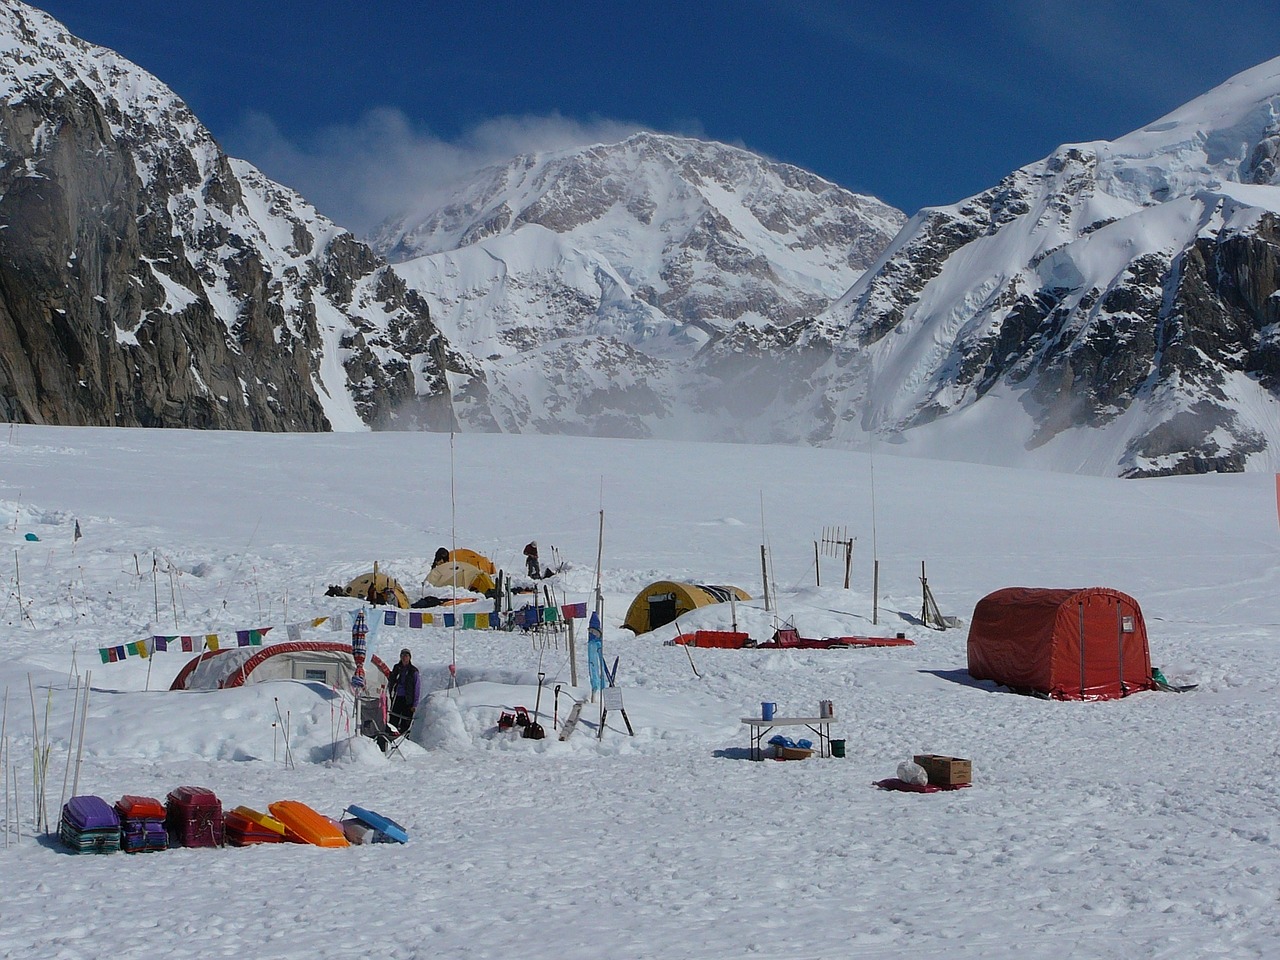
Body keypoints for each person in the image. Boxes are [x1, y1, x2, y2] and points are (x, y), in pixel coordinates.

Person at [386, 648, 421, 737]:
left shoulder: (413, 671)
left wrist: (415, 704)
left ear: (409, 658)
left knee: (406, 720)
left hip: (408, 699)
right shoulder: (397, 668)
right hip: (397, 697)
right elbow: (391, 681)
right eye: (402, 656)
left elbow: (417, 687)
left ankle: (403, 738)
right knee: (394, 718)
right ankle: (391, 735)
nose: (404, 658)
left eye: (406, 656)